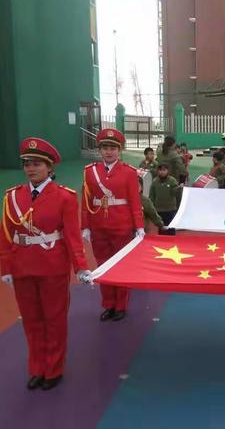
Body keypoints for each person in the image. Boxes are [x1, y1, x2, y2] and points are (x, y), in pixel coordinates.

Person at [0, 138, 90, 391]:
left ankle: (53, 369)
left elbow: (73, 237)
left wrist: (81, 267)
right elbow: (6, 234)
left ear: (50, 168)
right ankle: (37, 367)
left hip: (53, 268)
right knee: (31, 320)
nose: (31, 168)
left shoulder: (65, 197)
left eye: (37, 164)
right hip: (22, 268)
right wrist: (5, 267)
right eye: (27, 163)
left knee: (54, 319)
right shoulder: (13, 196)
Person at [82, 129, 144, 322]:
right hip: (98, 226)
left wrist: (139, 226)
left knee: (121, 265)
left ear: (120, 150)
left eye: (113, 148)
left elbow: (135, 201)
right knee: (103, 265)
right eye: (105, 148)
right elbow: (86, 201)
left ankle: (121, 305)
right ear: (100, 150)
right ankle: (108, 304)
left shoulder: (129, 172)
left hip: (122, 226)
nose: (109, 152)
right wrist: (85, 226)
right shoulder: (90, 172)